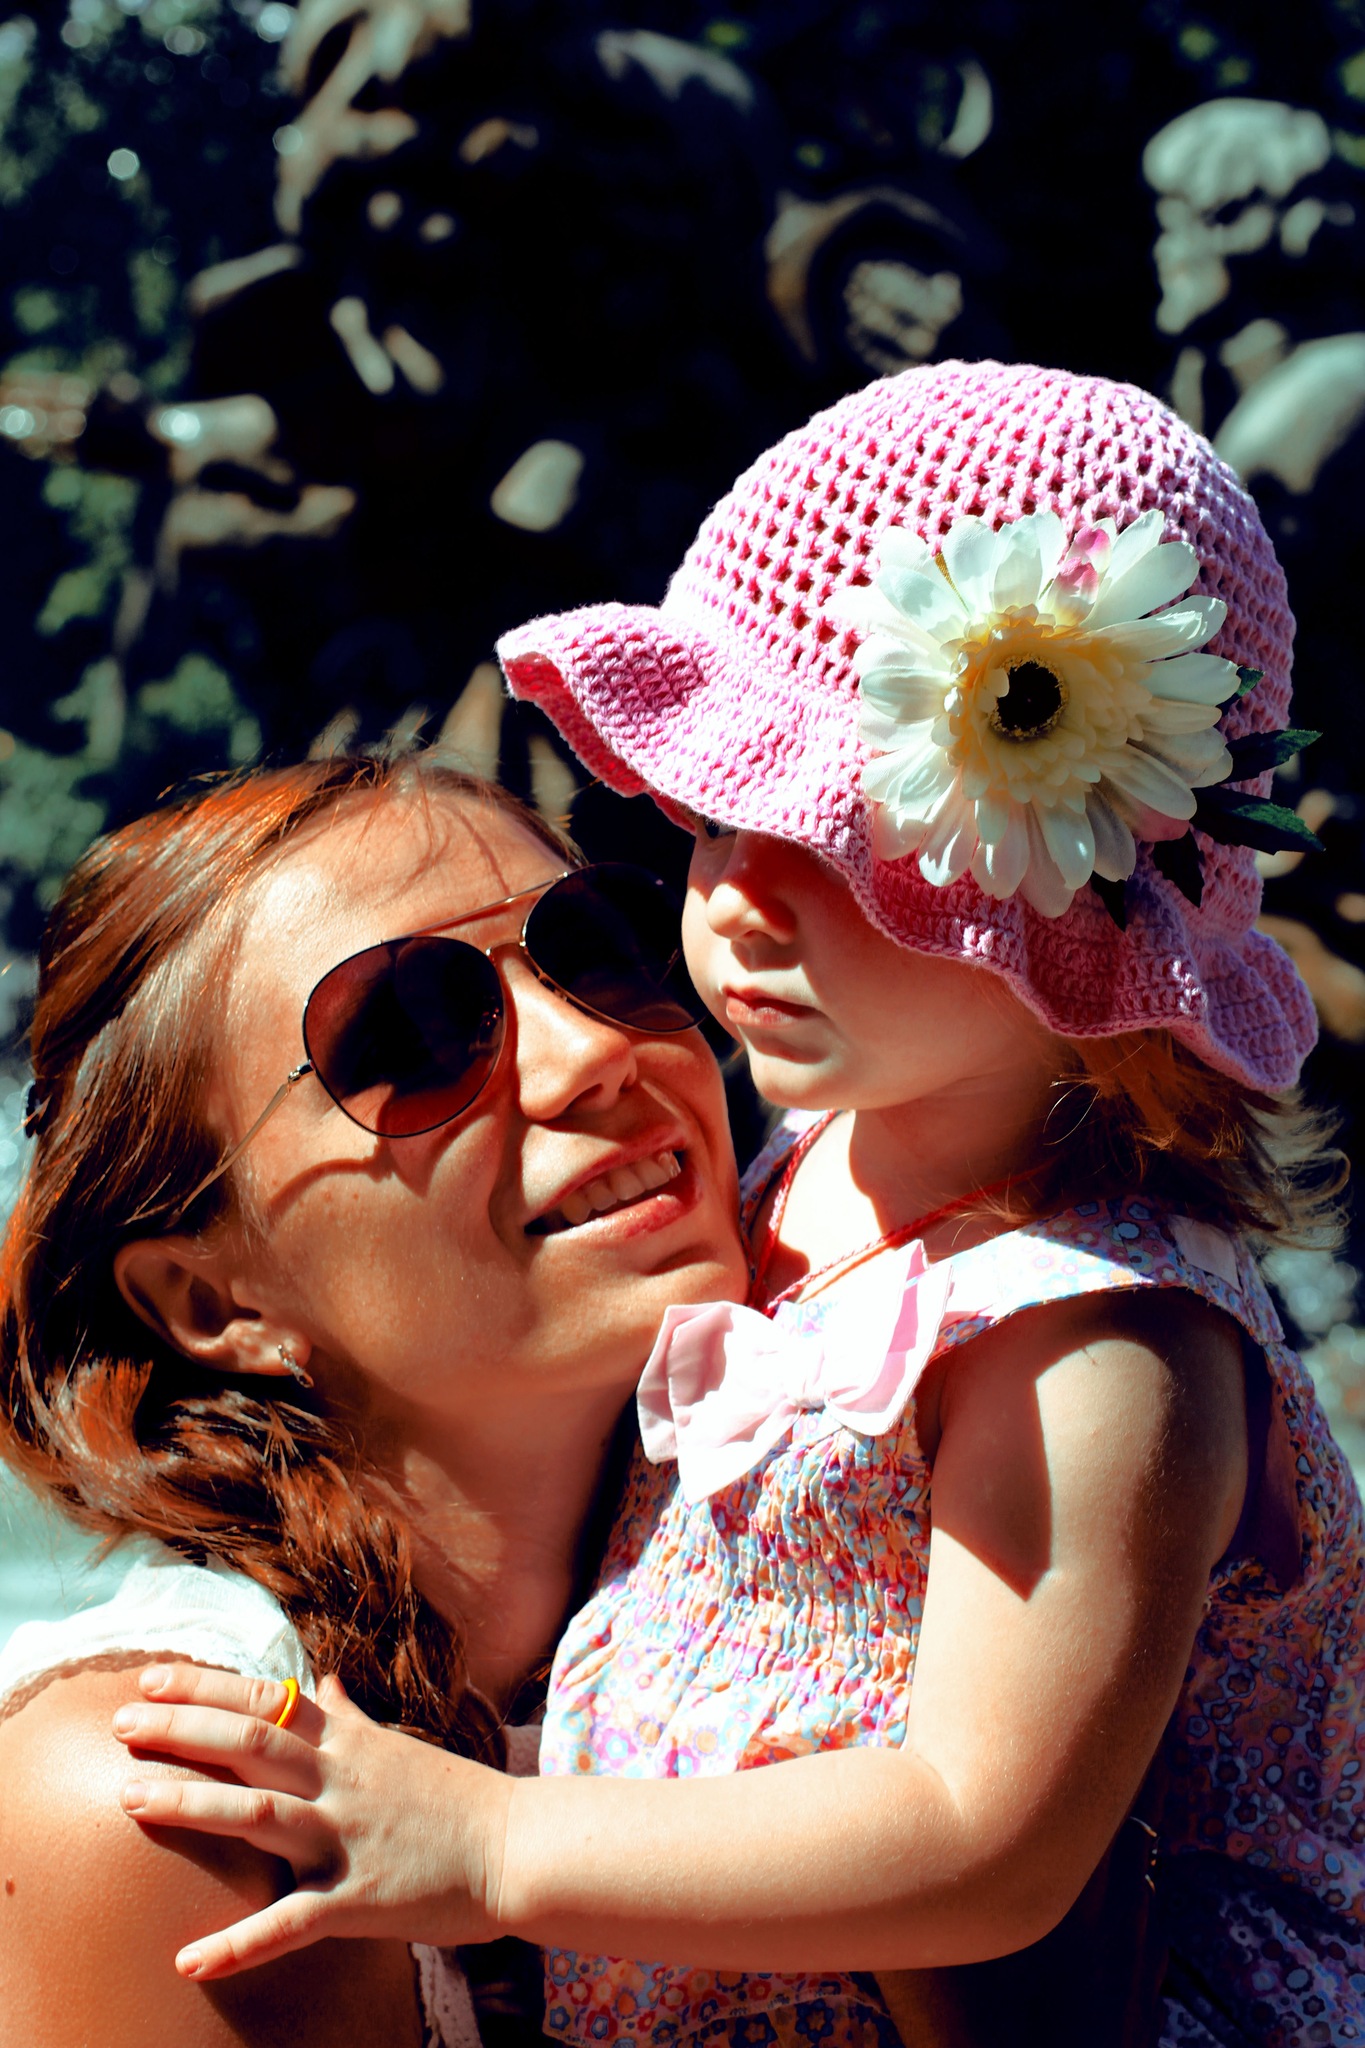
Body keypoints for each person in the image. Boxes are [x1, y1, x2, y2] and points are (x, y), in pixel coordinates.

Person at [110, 362, 1364, 2048]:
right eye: (708, 822)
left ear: (1069, 884)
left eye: (835, 843)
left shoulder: (1090, 1336)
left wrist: (490, 1844)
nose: (732, 906)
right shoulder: (810, 1178)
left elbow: (985, 1842)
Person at [0, 753, 747, 2048]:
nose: (595, 1055)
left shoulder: (867, 1591)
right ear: (212, 1301)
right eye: (413, 1036)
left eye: (598, 952)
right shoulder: (173, 1798)